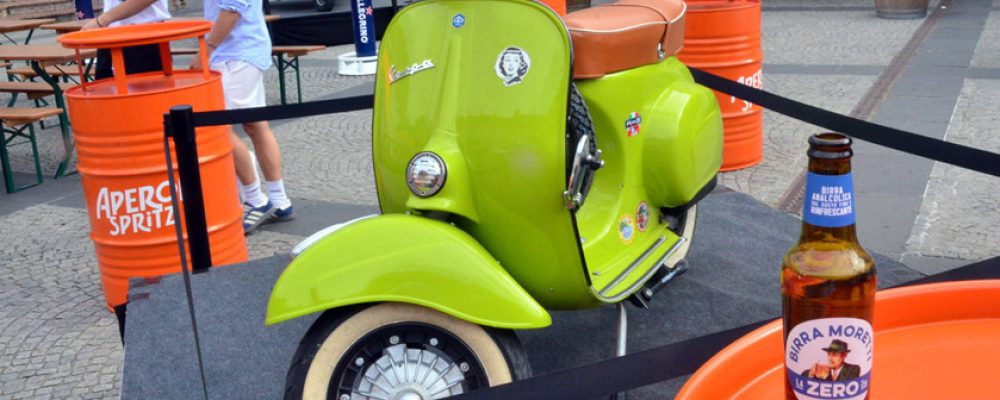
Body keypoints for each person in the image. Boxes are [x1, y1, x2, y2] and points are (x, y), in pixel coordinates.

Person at [194, 0, 293, 234]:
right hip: (242, 51)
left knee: (218, 127)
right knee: (256, 125)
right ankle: (279, 200)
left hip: (234, 54)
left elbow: (232, 9)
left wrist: (205, 51)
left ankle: (256, 199)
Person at [82, 0, 171, 79]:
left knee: (144, 94)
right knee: (104, 93)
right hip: (111, 35)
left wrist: (102, 21)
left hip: (143, 37)